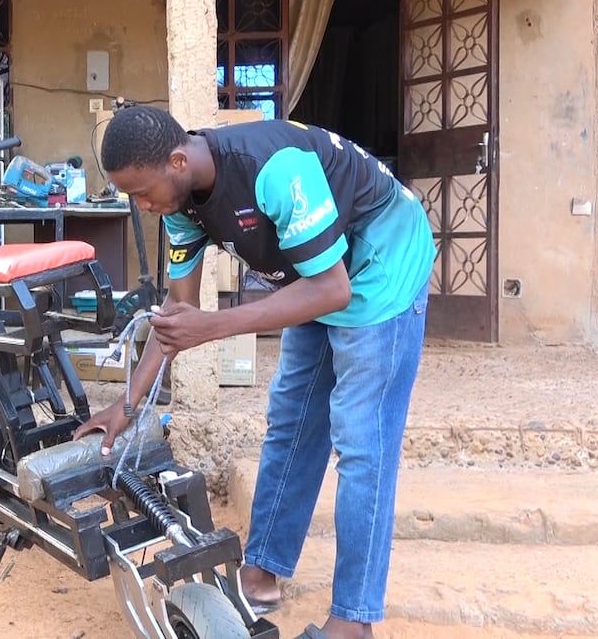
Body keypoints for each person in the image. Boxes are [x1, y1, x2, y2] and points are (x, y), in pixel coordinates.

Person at [72, 105, 436, 639]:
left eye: (143, 192)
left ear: (177, 161)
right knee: (291, 421)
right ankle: (262, 570)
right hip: (315, 277)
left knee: (362, 444)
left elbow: (333, 289)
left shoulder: (274, 169)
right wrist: (125, 405)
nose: (142, 206)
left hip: (379, 266)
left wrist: (214, 326)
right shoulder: (180, 205)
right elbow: (178, 313)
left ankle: (354, 620)